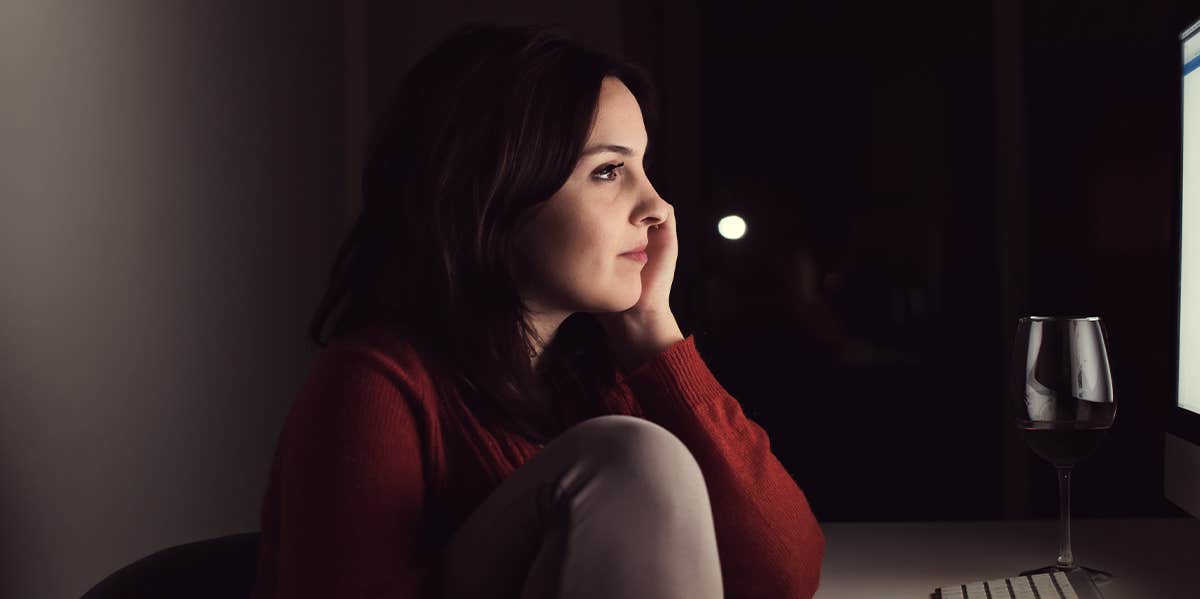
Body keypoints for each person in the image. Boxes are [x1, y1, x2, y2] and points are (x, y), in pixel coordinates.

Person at [250, 21, 825, 599]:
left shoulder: (600, 384)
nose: (656, 206)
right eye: (608, 171)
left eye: (645, 167)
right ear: (494, 193)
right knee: (634, 456)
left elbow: (783, 577)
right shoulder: (374, 386)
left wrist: (653, 334)